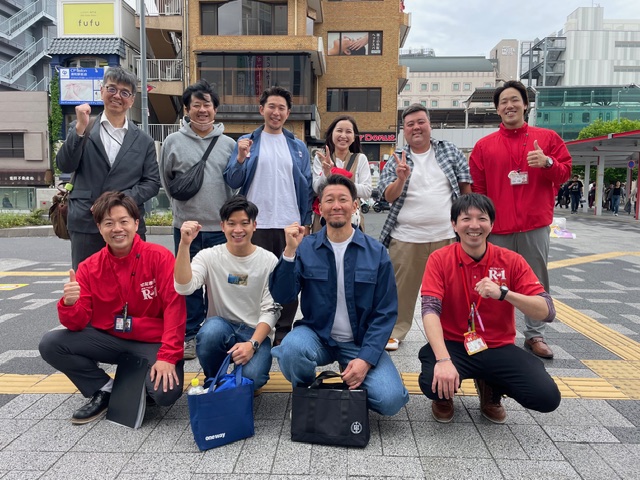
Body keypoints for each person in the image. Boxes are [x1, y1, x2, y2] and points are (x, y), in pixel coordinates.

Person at [39, 191, 186, 425]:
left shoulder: (160, 257)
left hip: (151, 341)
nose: (117, 229)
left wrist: (168, 356)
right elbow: (77, 323)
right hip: (110, 339)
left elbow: (174, 309)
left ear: (136, 224)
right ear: (99, 228)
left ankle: (144, 377)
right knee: (51, 344)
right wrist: (69, 304)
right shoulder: (89, 267)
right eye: (109, 223)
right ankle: (103, 388)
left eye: (123, 221)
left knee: (164, 394)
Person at [270, 175, 409, 416]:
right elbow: (283, 295)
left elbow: (386, 313)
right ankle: (305, 394)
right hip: (317, 335)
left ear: (355, 205)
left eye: (343, 199)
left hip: (360, 341)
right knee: (291, 349)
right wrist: (289, 252)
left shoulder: (376, 252)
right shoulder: (306, 247)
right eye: (329, 200)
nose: (336, 206)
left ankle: (350, 378)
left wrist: (365, 360)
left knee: (390, 400)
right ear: (320, 208)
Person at [419, 193, 561, 424]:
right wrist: (443, 360)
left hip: (498, 346)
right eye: (466, 219)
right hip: (454, 344)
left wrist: (504, 293)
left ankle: (491, 388)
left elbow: (547, 311)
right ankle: (444, 396)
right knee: (430, 382)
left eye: (482, 218)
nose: (474, 225)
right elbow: (429, 310)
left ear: (492, 224)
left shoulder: (511, 260)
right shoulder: (439, 258)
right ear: (454, 224)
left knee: (546, 397)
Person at [469, 80, 572, 359]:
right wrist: (482, 225)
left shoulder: (548, 138)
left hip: (534, 226)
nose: (509, 105)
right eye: (503, 102)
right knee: (494, 280)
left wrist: (548, 163)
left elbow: (564, 173)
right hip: (497, 229)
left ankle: (535, 334)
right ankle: (494, 332)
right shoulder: (484, 146)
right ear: (497, 110)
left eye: (515, 100)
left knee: (535, 280)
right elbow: (479, 190)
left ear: (525, 105)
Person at [378, 103, 472, 351]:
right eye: (410, 124)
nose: (416, 128)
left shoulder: (449, 150)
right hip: (405, 237)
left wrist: (467, 224)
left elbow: (465, 187)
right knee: (401, 290)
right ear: (404, 130)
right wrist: (401, 178)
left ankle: (452, 333)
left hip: (446, 236)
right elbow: (387, 196)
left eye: (421, 122)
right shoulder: (397, 157)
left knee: (451, 290)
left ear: (430, 125)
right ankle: (395, 331)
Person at [224, 86, 313, 344]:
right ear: (261, 109)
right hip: (256, 224)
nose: (276, 112)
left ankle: (283, 330)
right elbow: (232, 180)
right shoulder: (247, 142)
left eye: (281, 108)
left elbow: (307, 186)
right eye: (271, 106)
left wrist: (306, 221)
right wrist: (240, 158)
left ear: (288, 113)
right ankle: (256, 328)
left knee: (289, 278)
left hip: (289, 223)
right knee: (255, 278)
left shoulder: (298, 147)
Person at [160, 79, 237, 359]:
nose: (202, 110)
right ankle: (190, 335)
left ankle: (220, 334)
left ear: (215, 109)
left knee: (220, 285)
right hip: (186, 228)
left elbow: (235, 183)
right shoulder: (172, 142)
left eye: (207, 105)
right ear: (186, 109)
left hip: (220, 227)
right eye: (196, 105)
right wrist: (182, 212)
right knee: (188, 284)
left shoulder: (229, 144)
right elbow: (166, 180)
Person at [56, 67, 161, 270]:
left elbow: (152, 183)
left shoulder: (143, 140)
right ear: (102, 90)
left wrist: (118, 202)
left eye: (125, 92)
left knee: (131, 280)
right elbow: (65, 165)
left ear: (132, 100)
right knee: (86, 279)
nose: (117, 96)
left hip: (126, 223)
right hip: (86, 220)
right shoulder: (82, 126)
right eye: (112, 89)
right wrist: (79, 128)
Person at [173, 196, 280, 389]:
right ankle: (214, 379)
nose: (238, 230)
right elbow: (184, 287)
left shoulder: (269, 260)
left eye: (244, 223)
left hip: (255, 332)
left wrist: (252, 344)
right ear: (222, 226)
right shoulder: (209, 256)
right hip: (222, 328)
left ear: (254, 226)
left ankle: (241, 381)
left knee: (253, 378)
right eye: (231, 223)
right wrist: (184, 245)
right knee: (210, 332)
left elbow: (271, 310)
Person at [312, 115, 372, 232]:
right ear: (332, 134)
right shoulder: (321, 158)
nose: (343, 135)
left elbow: (367, 191)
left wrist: (338, 181)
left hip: (351, 220)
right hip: (323, 219)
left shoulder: (360, 159)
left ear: (354, 137)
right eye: (339, 130)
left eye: (348, 132)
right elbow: (317, 189)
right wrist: (326, 173)